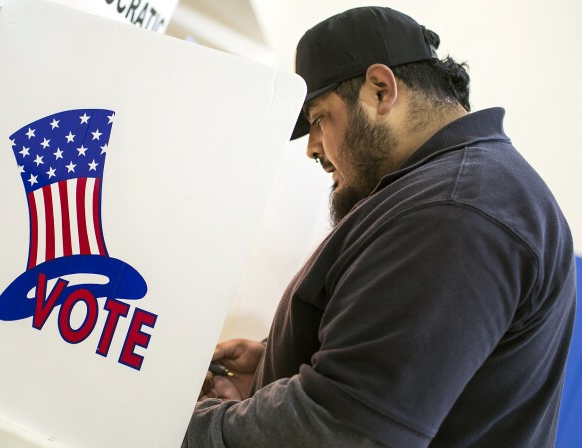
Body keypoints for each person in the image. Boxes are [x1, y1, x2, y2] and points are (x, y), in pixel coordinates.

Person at [183, 6, 576, 447]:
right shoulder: (456, 189)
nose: (313, 149)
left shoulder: (457, 208)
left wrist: (183, 423)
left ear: (379, 90)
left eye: (317, 119)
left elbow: (341, 430)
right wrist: (281, 368)